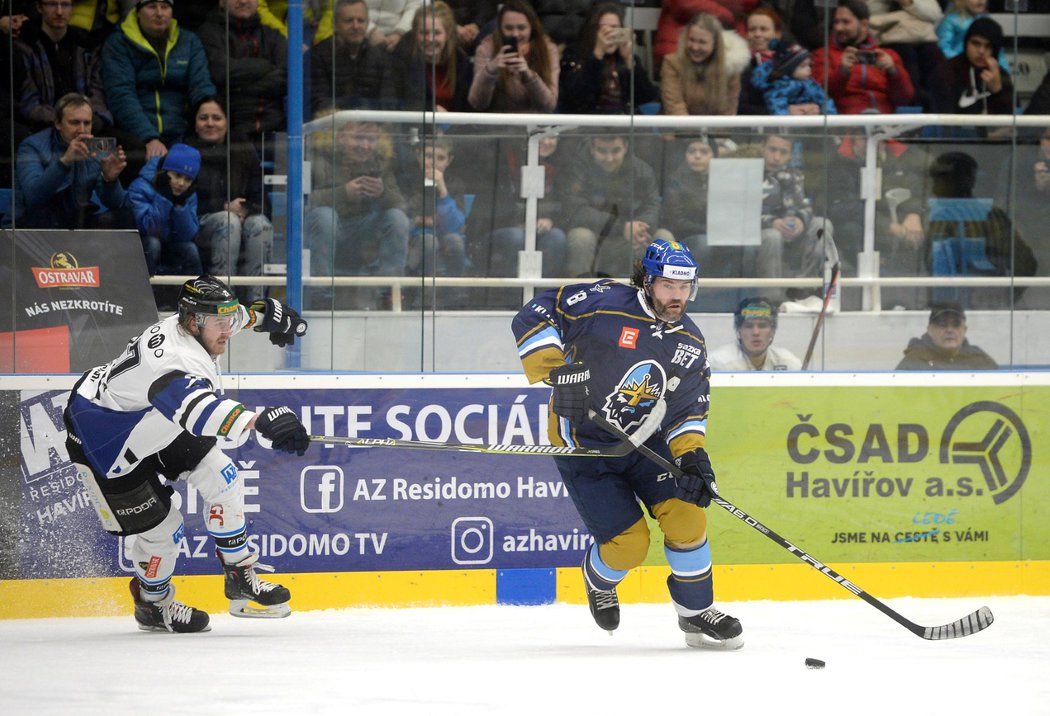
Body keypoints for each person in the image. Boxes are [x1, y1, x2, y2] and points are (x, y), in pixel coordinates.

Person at [511, 239, 744, 650]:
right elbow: (535, 312)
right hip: (583, 445)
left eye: (685, 286)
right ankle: (598, 580)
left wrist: (693, 458)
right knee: (630, 545)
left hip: (645, 441)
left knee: (688, 518)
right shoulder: (603, 300)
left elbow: (687, 408)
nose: (677, 296)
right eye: (669, 285)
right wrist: (556, 373)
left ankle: (694, 614)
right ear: (648, 281)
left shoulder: (689, 341)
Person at [64, 275, 309, 632]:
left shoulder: (196, 324)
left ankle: (240, 575)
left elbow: (233, 318)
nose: (227, 329)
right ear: (194, 322)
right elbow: (198, 410)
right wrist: (260, 421)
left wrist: (261, 316)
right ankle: (152, 604)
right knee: (165, 531)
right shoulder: (174, 362)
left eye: (228, 320)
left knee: (223, 477)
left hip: (154, 420)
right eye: (220, 323)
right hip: (107, 443)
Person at [305, 118, 410, 309]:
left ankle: (388, 293)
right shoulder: (319, 159)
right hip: (324, 232)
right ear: (341, 137)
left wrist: (383, 193)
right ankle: (321, 297)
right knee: (324, 217)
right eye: (359, 138)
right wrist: (343, 193)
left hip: (364, 235)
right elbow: (303, 202)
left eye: (371, 140)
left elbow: (401, 206)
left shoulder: (380, 164)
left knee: (397, 219)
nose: (366, 146)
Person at [101, 0, 215, 161]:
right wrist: (149, 137)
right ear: (138, 11)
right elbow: (121, 95)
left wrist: (207, 106)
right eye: (152, 6)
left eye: (165, 7)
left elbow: (201, 83)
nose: (160, 13)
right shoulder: (118, 43)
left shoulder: (189, 41)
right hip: (136, 134)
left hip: (182, 131)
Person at [187, 97, 272, 296]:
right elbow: (184, 200)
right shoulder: (187, 151)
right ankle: (221, 297)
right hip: (200, 224)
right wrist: (224, 207)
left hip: (239, 218)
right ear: (195, 125)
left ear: (226, 123)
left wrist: (246, 209)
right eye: (203, 118)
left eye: (216, 118)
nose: (210, 123)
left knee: (260, 224)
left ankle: (257, 301)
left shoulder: (242, 150)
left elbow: (261, 198)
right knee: (228, 221)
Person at [13, 92, 128, 229]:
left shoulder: (93, 150)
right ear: (58, 123)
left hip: (76, 222)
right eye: (74, 123)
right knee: (43, 216)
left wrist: (110, 180)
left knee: (123, 216)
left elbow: (116, 204)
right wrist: (64, 162)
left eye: (87, 123)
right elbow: (33, 198)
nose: (82, 130)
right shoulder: (32, 146)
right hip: (33, 224)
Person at [563, 132, 665, 278]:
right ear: (592, 148)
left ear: (626, 147)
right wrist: (623, 226)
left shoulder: (642, 170)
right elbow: (576, 210)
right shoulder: (578, 168)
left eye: (615, 151)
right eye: (602, 151)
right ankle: (582, 296)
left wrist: (641, 227)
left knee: (663, 238)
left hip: (632, 238)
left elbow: (653, 205)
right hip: (596, 236)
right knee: (580, 237)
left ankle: (657, 298)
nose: (609, 158)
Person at [13, 0, 112, 134]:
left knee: (128, 146)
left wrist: (91, 117)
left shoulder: (86, 45)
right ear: (39, 7)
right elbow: (29, 101)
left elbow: (96, 91)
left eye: (65, 5)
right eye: (52, 4)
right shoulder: (25, 46)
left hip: (85, 122)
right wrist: (63, 119)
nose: (59, 12)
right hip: (41, 126)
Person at [197, 0, 287, 144]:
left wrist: (239, 87)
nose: (243, 1)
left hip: (275, 131)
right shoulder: (209, 33)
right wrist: (264, 66)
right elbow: (220, 73)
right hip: (229, 134)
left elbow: (286, 78)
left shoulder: (273, 36)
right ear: (221, 2)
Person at [758, 133, 838, 285]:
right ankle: (771, 295)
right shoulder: (751, 173)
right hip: (763, 234)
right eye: (772, 150)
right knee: (772, 236)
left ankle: (806, 286)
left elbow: (806, 206)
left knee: (823, 225)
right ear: (762, 147)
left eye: (783, 152)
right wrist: (772, 222)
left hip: (793, 232)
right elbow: (743, 213)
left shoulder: (796, 175)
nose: (776, 157)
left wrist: (801, 220)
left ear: (790, 155)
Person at [811, 0, 915, 114]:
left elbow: (904, 99)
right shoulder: (822, 55)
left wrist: (894, 71)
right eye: (836, 22)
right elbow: (820, 97)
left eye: (845, 22)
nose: (838, 28)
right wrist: (842, 72)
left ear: (864, 25)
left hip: (885, 123)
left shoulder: (887, 55)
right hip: (846, 124)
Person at [558, 2, 658, 115]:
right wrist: (597, 54)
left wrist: (630, 62)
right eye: (603, 29)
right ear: (593, 31)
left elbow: (646, 97)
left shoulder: (623, 57)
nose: (610, 34)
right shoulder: (574, 54)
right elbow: (576, 99)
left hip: (621, 124)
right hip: (586, 125)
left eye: (615, 28)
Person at [467, 0, 558, 113]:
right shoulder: (487, 48)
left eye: (521, 28)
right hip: (498, 124)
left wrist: (528, 75)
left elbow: (549, 106)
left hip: (535, 125)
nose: (515, 34)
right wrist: (491, 71)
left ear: (531, 28)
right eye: (509, 28)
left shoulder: (547, 50)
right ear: (500, 28)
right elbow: (476, 103)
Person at [127, 142, 203, 277]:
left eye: (188, 179)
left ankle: (197, 294)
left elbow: (188, 235)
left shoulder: (188, 195)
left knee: (190, 249)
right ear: (164, 172)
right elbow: (147, 228)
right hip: (141, 246)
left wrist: (180, 205)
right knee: (153, 244)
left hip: (170, 246)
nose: (181, 184)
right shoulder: (140, 186)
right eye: (177, 176)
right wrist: (164, 198)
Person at [310, 0, 392, 114]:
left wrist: (372, 125)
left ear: (368, 24)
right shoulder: (318, 55)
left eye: (361, 20)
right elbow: (318, 103)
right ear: (335, 24)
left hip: (372, 127)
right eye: (348, 21)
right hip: (331, 126)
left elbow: (388, 104)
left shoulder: (381, 57)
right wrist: (345, 125)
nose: (356, 26)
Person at [388, 1, 472, 112]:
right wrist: (433, 111)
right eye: (424, 33)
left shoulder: (461, 62)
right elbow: (396, 104)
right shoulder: (402, 59)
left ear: (447, 34)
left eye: (437, 33)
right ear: (415, 33)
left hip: (453, 127)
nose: (430, 39)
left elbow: (466, 108)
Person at [661, 13, 748, 117]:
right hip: (679, 129)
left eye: (702, 42)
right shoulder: (672, 63)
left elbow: (728, 112)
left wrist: (710, 132)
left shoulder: (731, 68)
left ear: (715, 44)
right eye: (691, 40)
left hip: (716, 130)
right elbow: (675, 106)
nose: (695, 47)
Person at [932, 17, 1013, 122]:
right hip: (956, 136)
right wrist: (985, 136)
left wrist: (997, 91)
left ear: (995, 50)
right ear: (966, 43)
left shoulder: (1000, 75)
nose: (981, 51)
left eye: (988, 46)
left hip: (995, 137)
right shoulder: (946, 71)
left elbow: (1010, 124)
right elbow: (943, 122)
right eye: (976, 43)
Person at [895, 301, 997, 369]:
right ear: (930, 330)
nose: (949, 330)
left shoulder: (978, 359)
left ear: (964, 330)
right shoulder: (914, 361)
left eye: (956, 324)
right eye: (942, 324)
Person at [708, 296, 802, 370]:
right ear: (739, 331)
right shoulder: (718, 364)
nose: (756, 332)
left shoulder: (789, 363)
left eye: (762, 326)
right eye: (748, 326)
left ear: (772, 331)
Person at [751, 40, 837, 115]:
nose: (809, 69)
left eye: (809, 65)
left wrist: (830, 117)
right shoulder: (780, 86)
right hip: (790, 128)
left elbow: (824, 99)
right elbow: (777, 107)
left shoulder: (811, 84)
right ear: (789, 70)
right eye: (803, 66)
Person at [936, 0, 1009, 72]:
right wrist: (960, 63)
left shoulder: (987, 21)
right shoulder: (950, 20)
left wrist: (1004, 70)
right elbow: (943, 47)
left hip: (983, 69)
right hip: (957, 70)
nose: (981, 1)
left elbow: (998, 50)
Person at [738, 6, 783, 115]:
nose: (757, 34)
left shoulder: (791, 61)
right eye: (752, 29)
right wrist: (784, 111)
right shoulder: (739, 65)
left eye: (764, 29)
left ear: (777, 34)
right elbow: (740, 107)